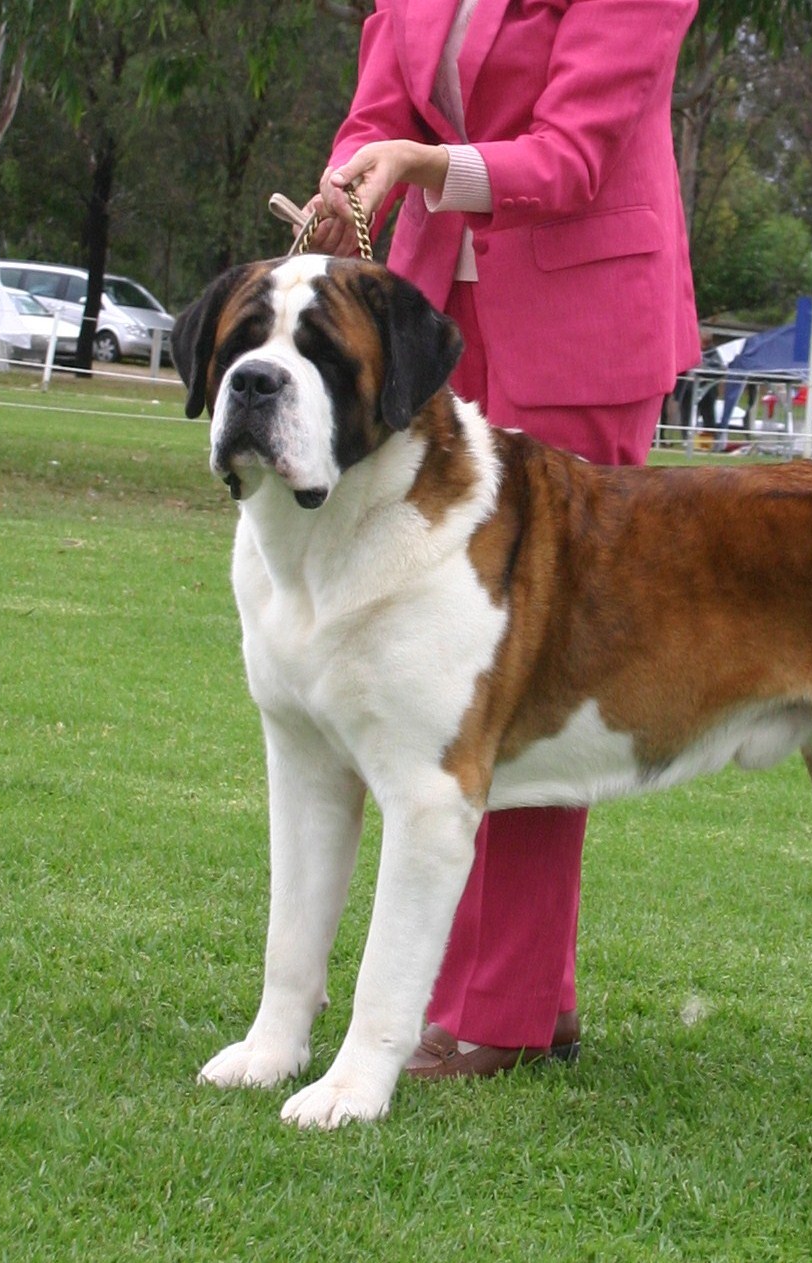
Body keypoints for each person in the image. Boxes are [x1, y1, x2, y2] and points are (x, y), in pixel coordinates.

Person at [302, 0, 701, 1077]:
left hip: (587, 334)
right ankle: (516, 991)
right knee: (434, 675)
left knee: (534, 670)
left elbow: (569, 161)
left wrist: (420, 164)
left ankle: (504, 1008)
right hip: (430, 330)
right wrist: (348, 191)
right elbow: (374, 114)